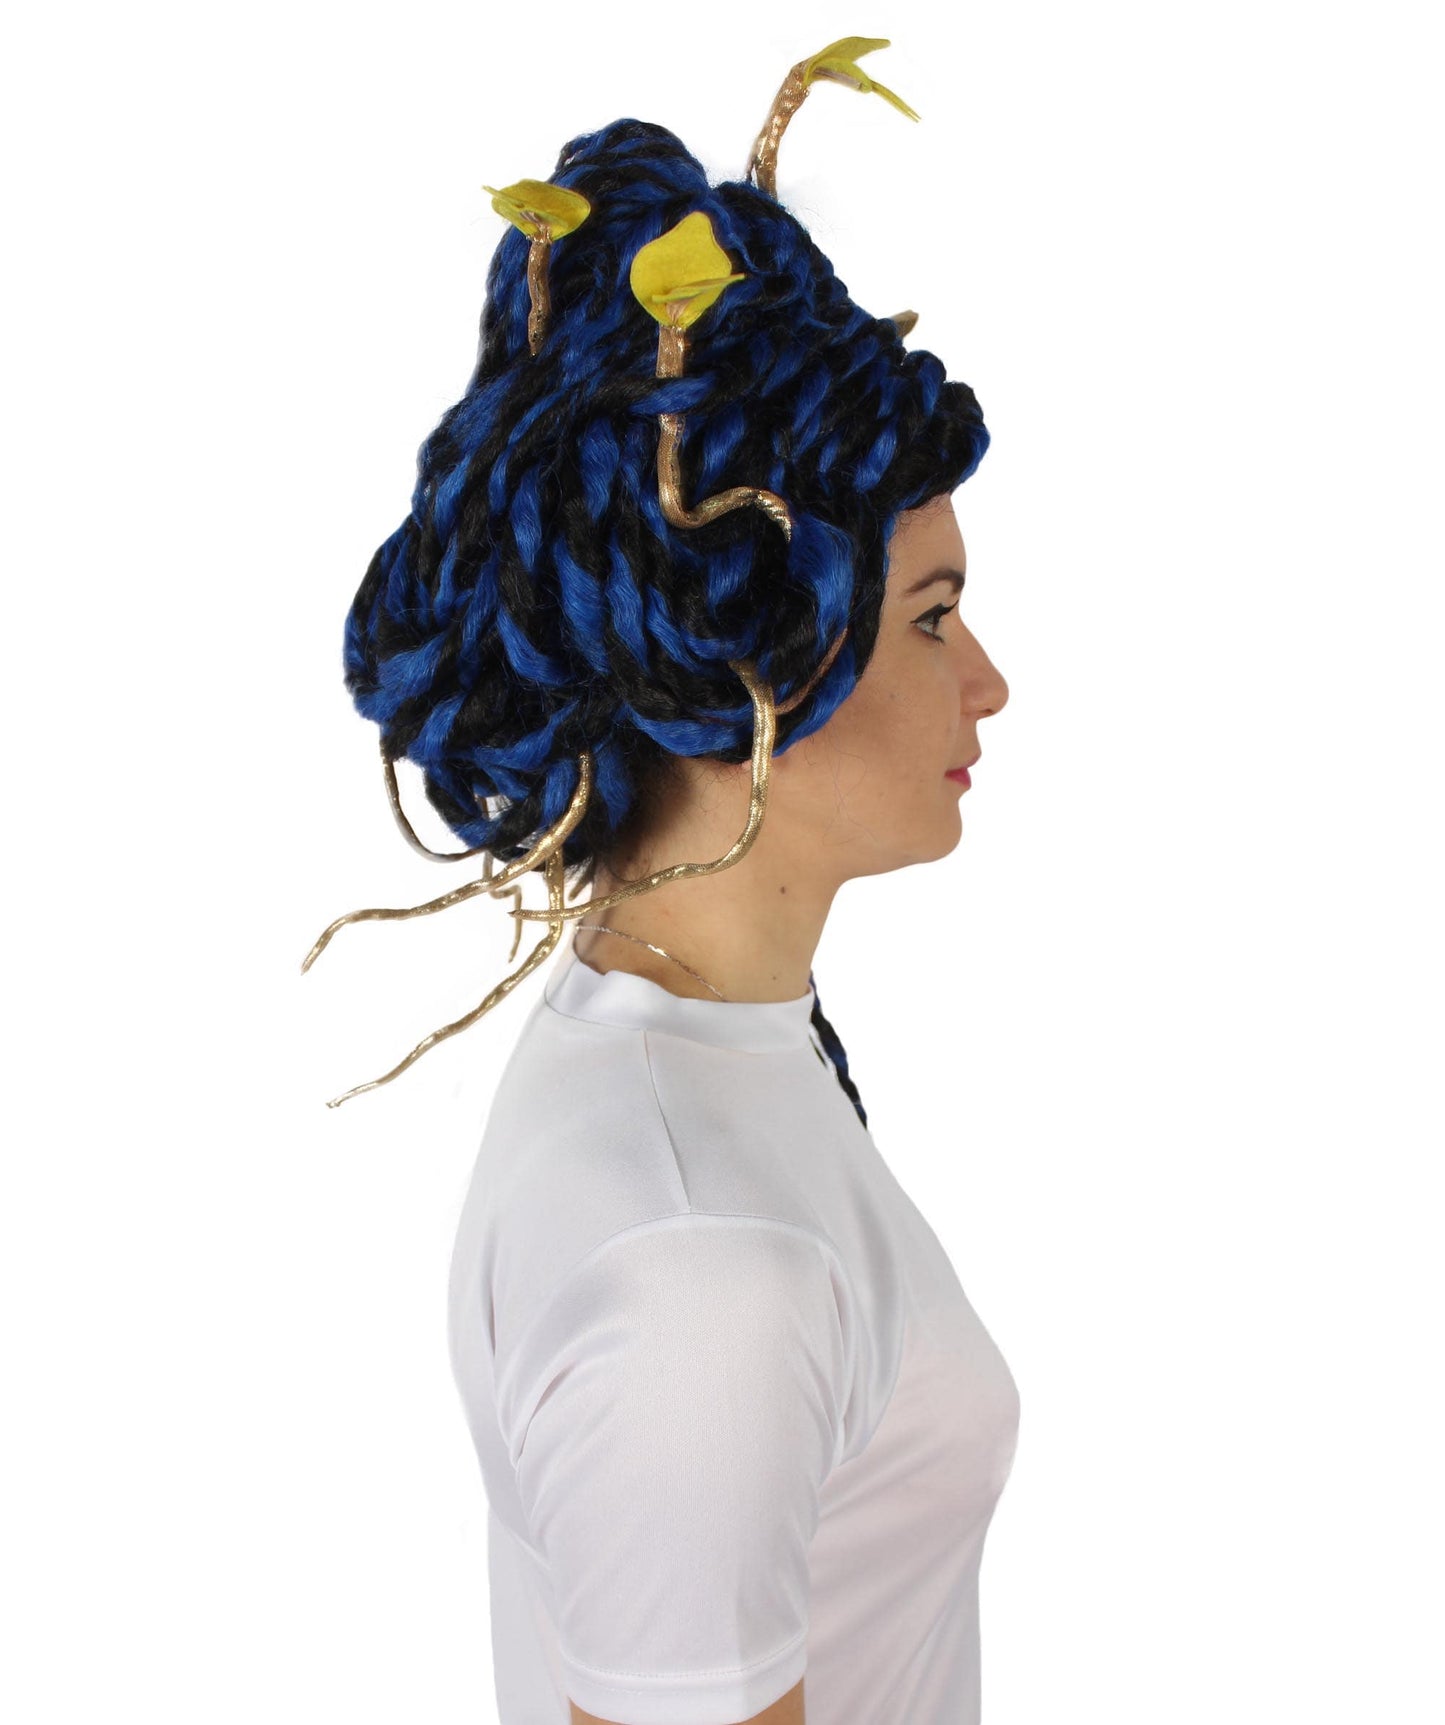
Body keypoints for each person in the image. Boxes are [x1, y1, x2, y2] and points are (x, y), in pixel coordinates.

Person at [309, 36, 1019, 1725]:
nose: (990, 682)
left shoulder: (700, 1049)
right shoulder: (699, 1265)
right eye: (930, 617)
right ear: (742, 664)